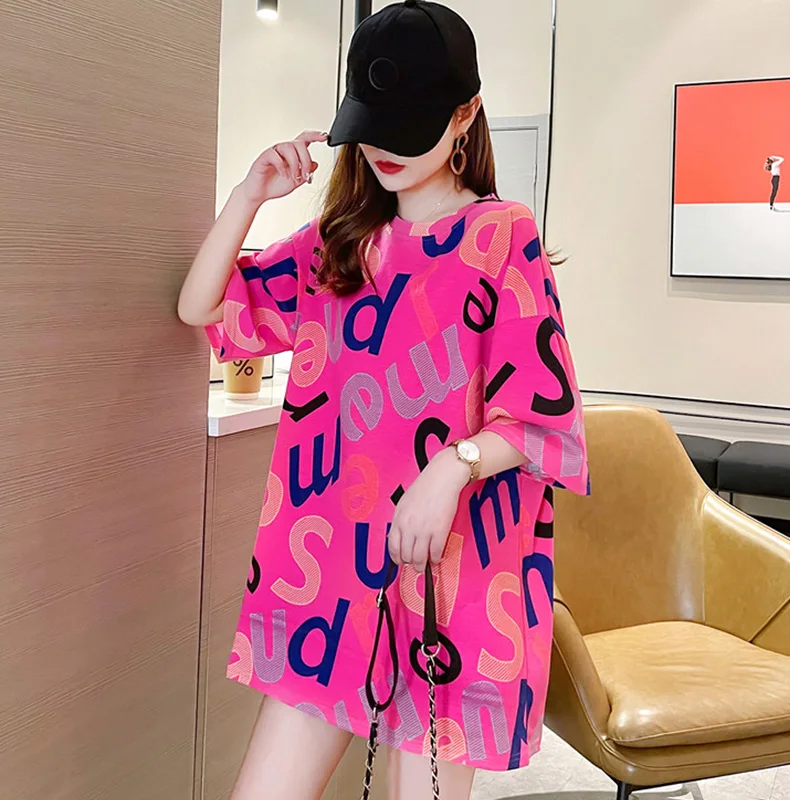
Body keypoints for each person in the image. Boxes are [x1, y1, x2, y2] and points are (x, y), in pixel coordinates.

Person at [178, 2, 589, 798]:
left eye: (409, 127)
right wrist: (249, 195)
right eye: (373, 126)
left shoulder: (502, 237)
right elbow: (203, 306)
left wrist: (452, 466)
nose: (385, 149)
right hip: (329, 575)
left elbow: (543, 415)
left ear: (465, 114)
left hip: (451, 574)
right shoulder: (339, 246)